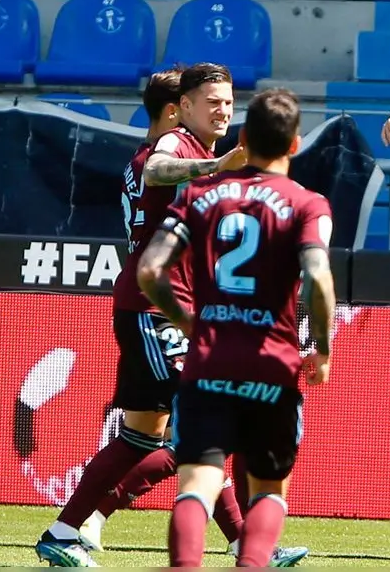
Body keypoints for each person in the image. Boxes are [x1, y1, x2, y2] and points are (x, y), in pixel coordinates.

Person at [34, 63, 247, 568]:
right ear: (181, 108)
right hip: (156, 309)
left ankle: (68, 529)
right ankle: (246, 543)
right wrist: (216, 169)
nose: (223, 109)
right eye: (211, 100)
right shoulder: (174, 146)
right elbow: (158, 168)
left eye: (228, 100)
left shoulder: (189, 150)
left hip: (160, 305)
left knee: (142, 436)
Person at [136, 87, 336, 567]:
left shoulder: (199, 195)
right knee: (268, 487)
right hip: (273, 365)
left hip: (209, 362)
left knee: (197, 486)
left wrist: (190, 322)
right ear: (294, 144)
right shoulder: (308, 204)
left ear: (244, 138)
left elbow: (149, 271)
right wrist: (323, 349)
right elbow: (318, 279)